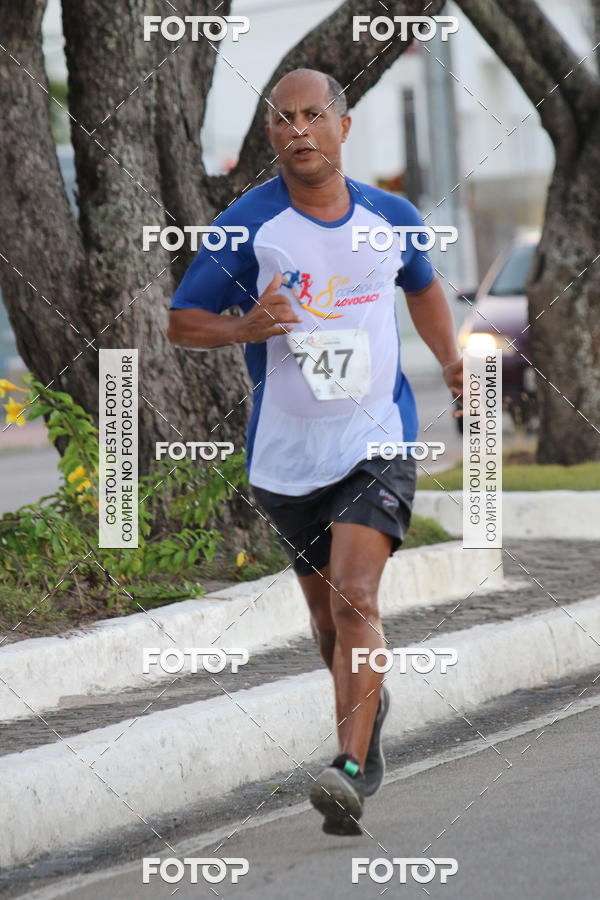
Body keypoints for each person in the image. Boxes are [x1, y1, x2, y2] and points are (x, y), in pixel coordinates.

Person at [167, 68, 462, 835]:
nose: (299, 130)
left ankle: (351, 771)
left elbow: (424, 286)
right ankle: (371, 708)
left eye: (312, 115)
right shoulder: (246, 227)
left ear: (343, 126)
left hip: (377, 440)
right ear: (272, 135)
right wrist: (244, 328)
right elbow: (183, 321)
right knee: (330, 629)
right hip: (286, 457)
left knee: (356, 596)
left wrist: (453, 358)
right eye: (284, 119)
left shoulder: (390, 216)